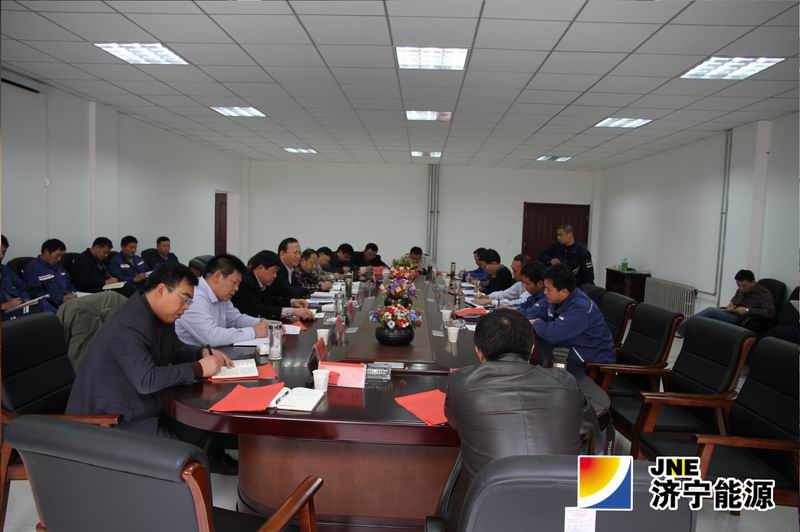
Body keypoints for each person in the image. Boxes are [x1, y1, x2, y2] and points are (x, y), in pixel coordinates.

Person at [65, 262, 238, 474]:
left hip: (142, 405)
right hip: (113, 420)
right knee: (188, 454)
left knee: (202, 429)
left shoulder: (159, 314)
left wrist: (201, 352)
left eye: (190, 301)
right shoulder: (129, 324)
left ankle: (212, 460)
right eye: (185, 299)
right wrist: (198, 369)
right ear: (161, 290)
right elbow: (146, 380)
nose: (186, 307)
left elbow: (175, 349)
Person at [445, 309, 591, 526]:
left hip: (485, 516)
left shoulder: (460, 382)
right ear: (531, 349)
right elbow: (586, 426)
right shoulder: (566, 382)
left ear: (478, 351)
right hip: (564, 514)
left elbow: (454, 422)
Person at [528, 263, 615, 375]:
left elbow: (553, 334)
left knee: (539, 369)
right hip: (568, 349)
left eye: (548, 289)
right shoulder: (555, 298)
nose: (544, 292)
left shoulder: (580, 308)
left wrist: (536, 322)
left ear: (564, 291)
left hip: (590, 364)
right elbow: (532, 313)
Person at [176, 254, 269, 347]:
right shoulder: (195, 297)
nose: (236, 289)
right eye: (234, 283)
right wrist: (253, 332)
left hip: (214, 352)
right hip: (192, 355)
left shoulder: (220, 295)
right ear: (217, 277)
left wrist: (262, 323)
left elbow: (235, 319)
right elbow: (211, 337)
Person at [677, 269, 775, 336]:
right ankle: (691, 334)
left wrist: (747, 310)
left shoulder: (763, 293)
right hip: (735, 314)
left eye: (744, 285)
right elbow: (734, 302)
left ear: (753, 282)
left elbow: (770, 313)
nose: (741, 288)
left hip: (747, 320)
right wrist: (730, 307)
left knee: (710, 312)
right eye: (739, 285)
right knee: (714, 311)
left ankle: (680, 331)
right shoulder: (741, 290)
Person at [232, 250, 314, 321]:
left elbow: (271, 300)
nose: (275, 276)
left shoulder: (263, 280)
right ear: (261, 268)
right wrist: (292, 311)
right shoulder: (245, 282)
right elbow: (259, 309)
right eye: (274, 271)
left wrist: (292, 302)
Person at [1, 234, 56, 319]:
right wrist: (4, 306)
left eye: (3, 252)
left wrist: (26, 300)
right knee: (43, 308)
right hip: (4, 313)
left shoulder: (5, 269)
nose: (1, 256)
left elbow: (22, 287)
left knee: (42, 304)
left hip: (18, 306)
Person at [23, 238, 77, 307]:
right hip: (51, 305)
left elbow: (69, 284)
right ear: (46, 252)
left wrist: (72, 293)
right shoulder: (32, 268)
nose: (59, 259)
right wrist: (61, 298)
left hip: (69, 301)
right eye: (57, 255)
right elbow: (35, 293)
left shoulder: (59, 265)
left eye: (61, 256)